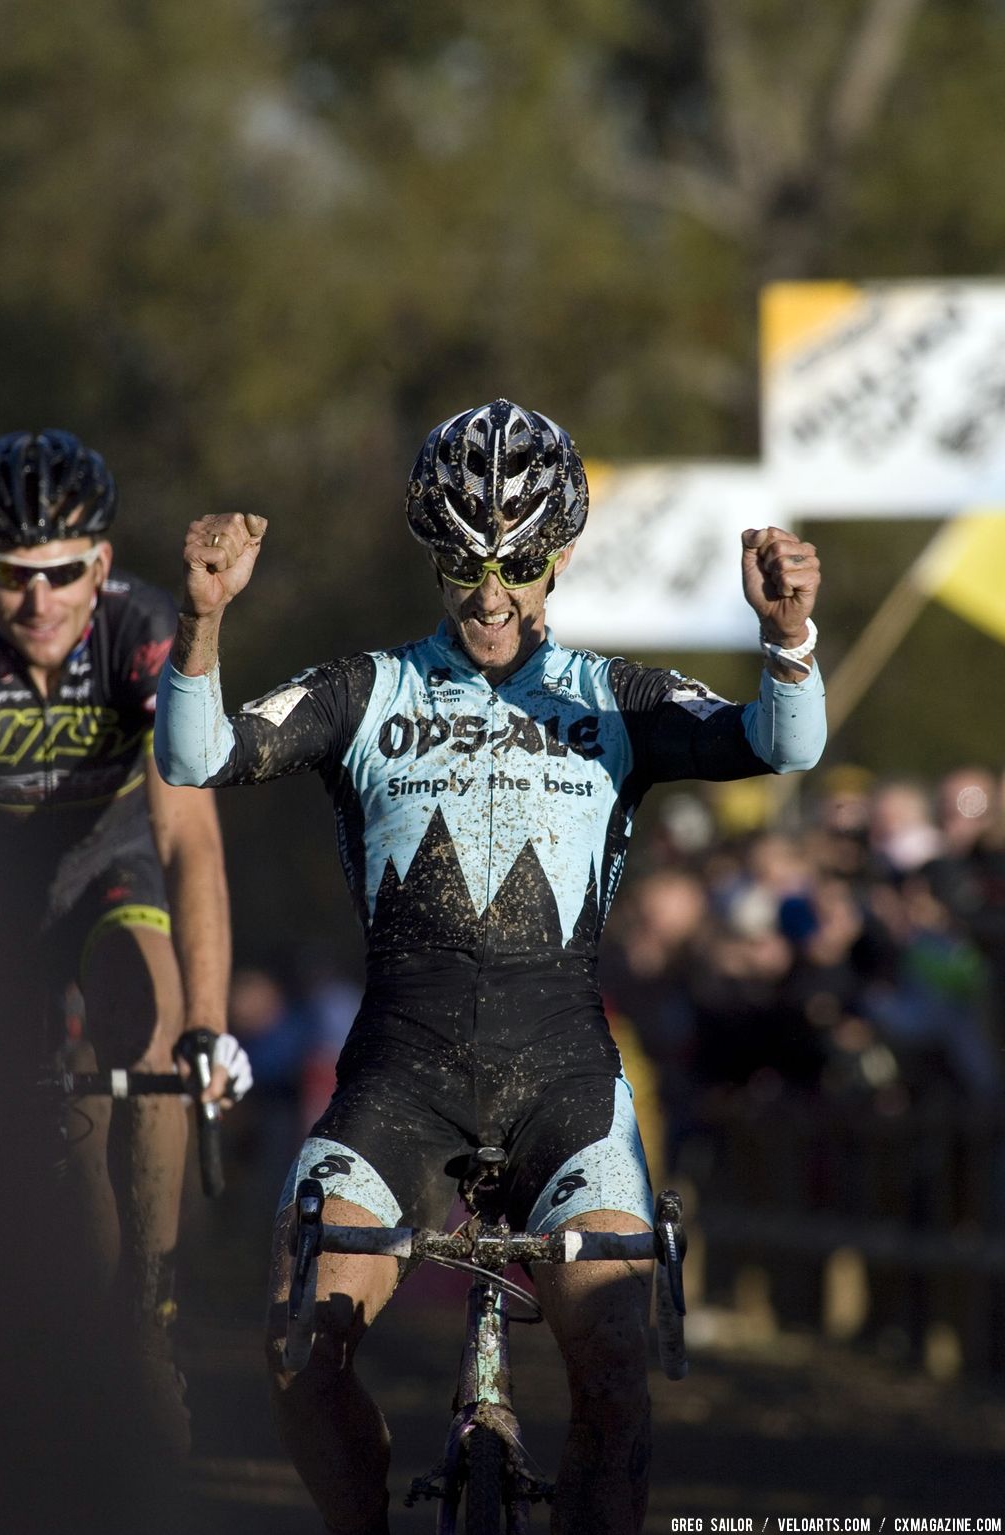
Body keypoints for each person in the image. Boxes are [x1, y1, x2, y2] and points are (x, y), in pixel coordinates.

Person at [154, 398, 825, 1534]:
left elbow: (781, 740)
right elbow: (197, 753)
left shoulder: (611, 695)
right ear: (435, 556)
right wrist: (202, 620)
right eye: (463, 560)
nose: (490, 590)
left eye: (517, 560)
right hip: (396, 1085)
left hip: (568, 1084)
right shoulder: (371, 689)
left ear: (557, 554)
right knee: (299, 1345)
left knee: (613, 1373)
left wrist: (787, 637)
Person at [0, 429, 252, 1452]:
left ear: (100, 563)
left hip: (112, 870)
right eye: (12, 575)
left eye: (61, 572)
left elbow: (191, 842)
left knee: (148, 1023)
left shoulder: (140, 632)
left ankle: (150, 1309)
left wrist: (211, 1025)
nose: (38, 601)